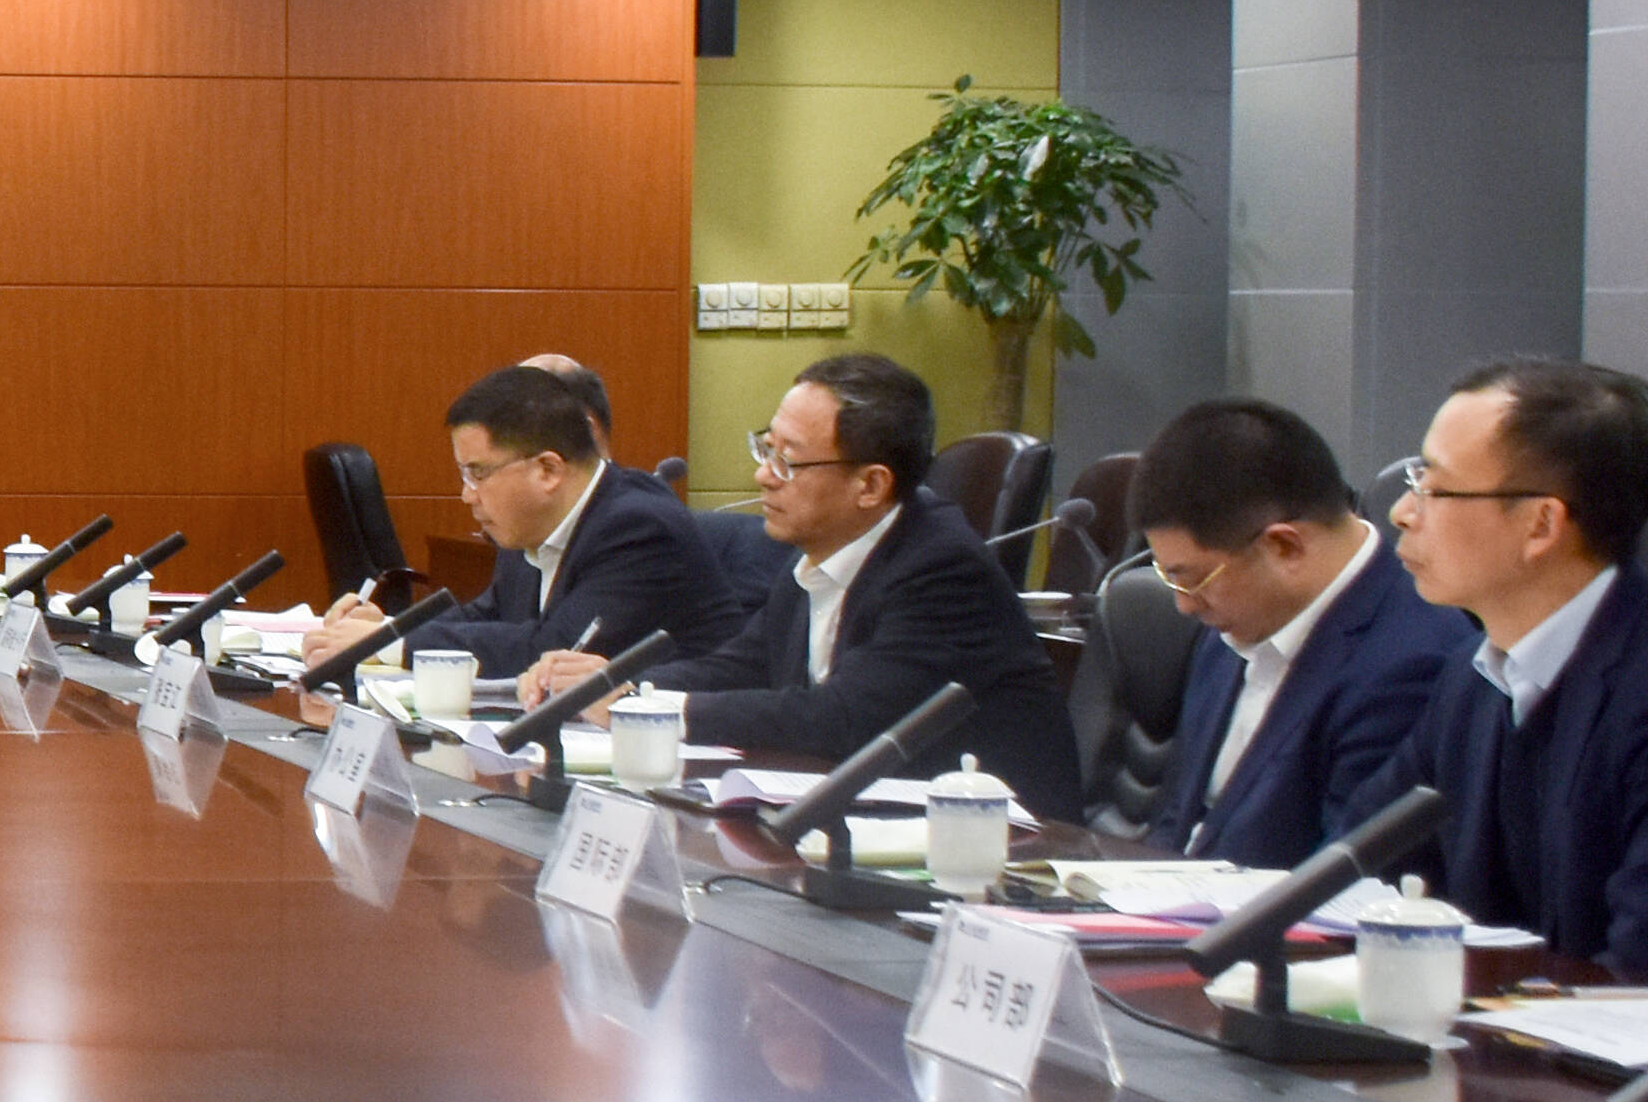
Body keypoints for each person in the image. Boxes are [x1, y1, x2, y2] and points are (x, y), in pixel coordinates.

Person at [551, 351, 1082, 816]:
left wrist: (658, 711)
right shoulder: (818, 554)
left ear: (870, 485)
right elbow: (742, 666)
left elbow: (842, 717)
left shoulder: (942, 570)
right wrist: (621, 688)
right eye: (766, 449)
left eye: (788, 460)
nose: (763, 475)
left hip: (1010, 846)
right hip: (876, 820)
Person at [1352, 359, 1648, 975]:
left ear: (1542, 524)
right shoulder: (1471, 678)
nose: (1402, 512)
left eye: (1433, 487)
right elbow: (1357, 863)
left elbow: (1636, 969)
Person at [1128, 396, 1470, 867]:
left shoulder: (1410, 663)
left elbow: (1346, 879)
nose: (1184, 604)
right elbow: (1177, 822)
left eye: (1193, 579)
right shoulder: (1234, 623)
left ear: (1284, 547)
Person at [306, 364, 746, 680]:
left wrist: (390, 647)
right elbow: (485, 616)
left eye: (478, 473)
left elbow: (551, 650)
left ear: (548, 470)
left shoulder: (638, 528)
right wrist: (384, 629)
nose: (467, 494)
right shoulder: (532, 525)